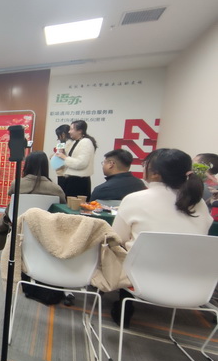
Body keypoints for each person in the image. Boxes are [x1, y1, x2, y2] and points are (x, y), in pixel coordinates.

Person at [111, 148, 213, 327]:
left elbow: (115, 238)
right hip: (193, 285)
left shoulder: (134, 199)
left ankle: (123, 308)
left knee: (119, 251)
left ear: (155, 173)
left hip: (141, 281)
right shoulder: (199, 204)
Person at [53, 120, 97, 200]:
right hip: (71, 179)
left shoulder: (86, 142)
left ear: (80, 131)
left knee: (74, 206)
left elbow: (81, 163)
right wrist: (62, 153)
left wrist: (64, 157)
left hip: (79, 181)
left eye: (71, 129)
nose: (69, 132)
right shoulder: (76, 142)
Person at [53, 124, 71, 190]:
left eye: (58, 135)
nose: (58, 138)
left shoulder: (69, 144)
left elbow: (60, 157)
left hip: (65, 174)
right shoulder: (61, 144)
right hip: (62, 173)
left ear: (63, 134)